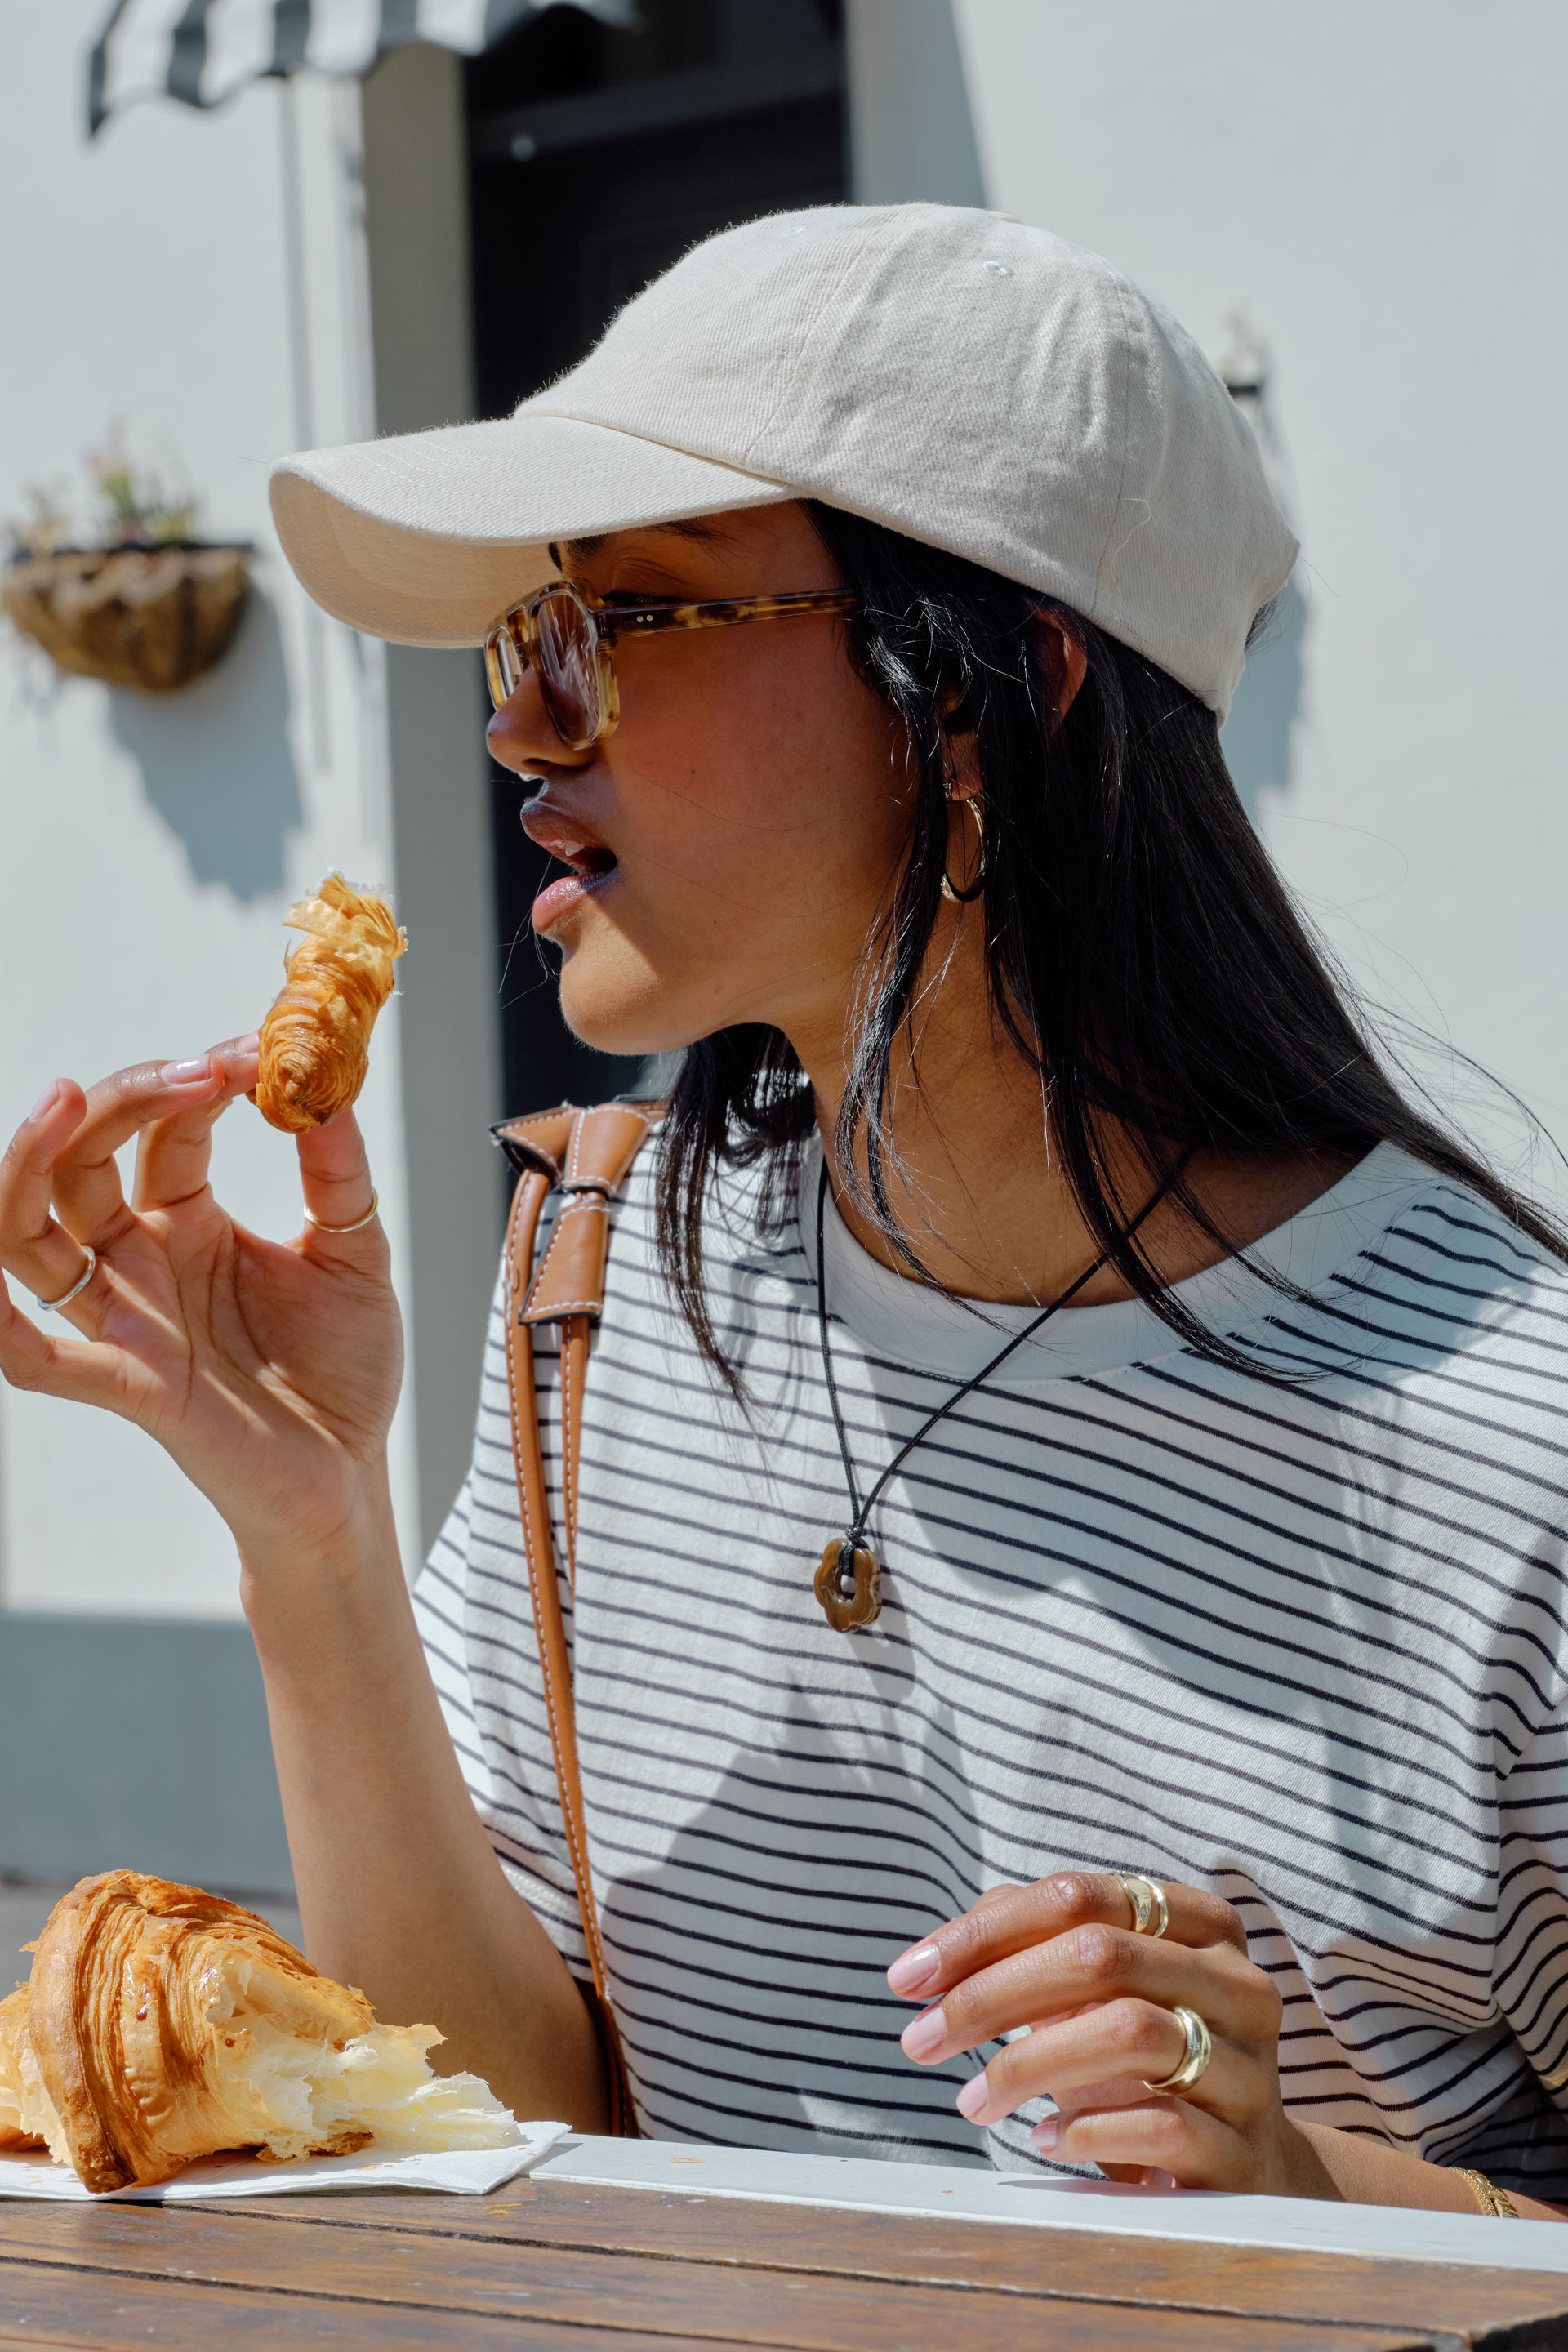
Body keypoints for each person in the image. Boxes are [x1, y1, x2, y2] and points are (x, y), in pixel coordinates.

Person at [2, 204, 1564, 2220]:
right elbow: (506, 2120)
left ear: (999, 690)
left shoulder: (1509, 1449)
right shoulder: (602, 1292)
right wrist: (314, 1546)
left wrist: (1301, 2188)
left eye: (625, 623)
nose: (517, 727)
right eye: (526, 637)